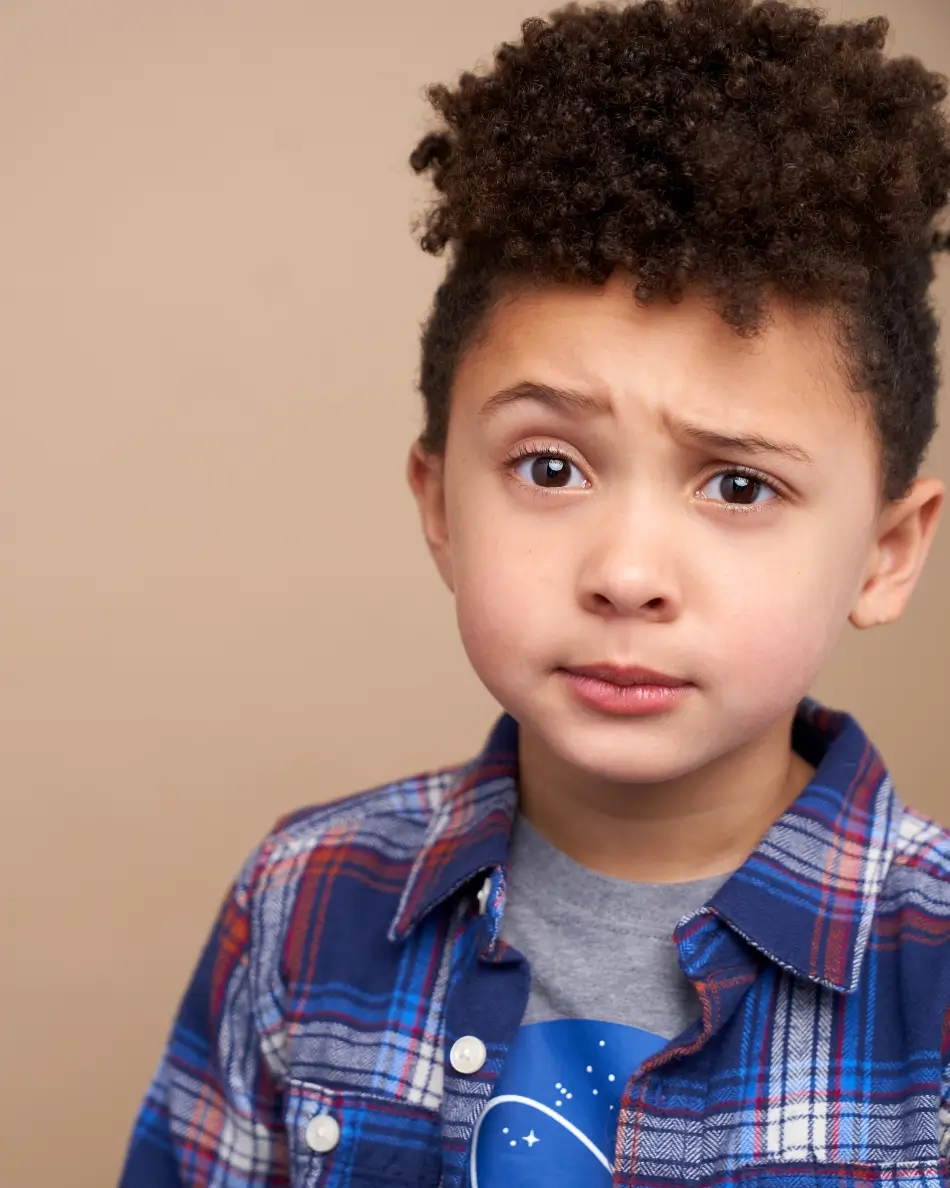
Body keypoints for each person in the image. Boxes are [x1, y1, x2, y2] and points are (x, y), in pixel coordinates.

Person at [119, 1, 950, 1184]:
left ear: (884, 551)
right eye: (548, 468)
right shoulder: (303, 904)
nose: (623, 575)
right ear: (441, 504)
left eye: (736, 484)